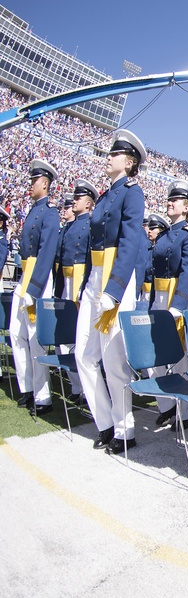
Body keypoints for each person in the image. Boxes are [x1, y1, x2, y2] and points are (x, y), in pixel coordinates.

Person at [75, 130, 147, 453]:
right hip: (96, 279)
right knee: (84, 355)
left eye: (114, 154)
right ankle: (105, 422)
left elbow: (132, 242)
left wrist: (115, 290)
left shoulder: (132, 193)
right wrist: (87, 285)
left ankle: (125, 430)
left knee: (114, 360)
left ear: (129, 162)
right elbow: (93, 246)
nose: (108, 157)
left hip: (116, 279)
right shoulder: (104, 197)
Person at [147, 181, 188, 430]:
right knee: (155, 356)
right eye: (170, 199)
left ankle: (184, 413)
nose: (170, 202)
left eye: (176, 200)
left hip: (177, 300)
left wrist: (178, 304)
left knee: (181, 359)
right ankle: (166, 407)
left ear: (187, 207)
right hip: (159, 298)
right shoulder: (164, 236)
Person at [12, 159, 60, 415]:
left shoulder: (50, 213)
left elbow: (46, 254)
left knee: (35, 339)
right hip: (25, 275)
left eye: (34, 181)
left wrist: (34, 289)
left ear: (45, 183)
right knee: (15, 333)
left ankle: (43, 397)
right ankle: (27, 387)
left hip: (38, 280)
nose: (30, 185)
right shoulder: (33, 210)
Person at [52, 179, 97, 402]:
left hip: (80, 280)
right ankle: (76, 386)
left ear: (88, 204)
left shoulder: (90, 225)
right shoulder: (68, 227)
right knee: (65, 334)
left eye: (78, 198)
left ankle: (83, 388)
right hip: (66, 280)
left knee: (80, 336)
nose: (73, 202)